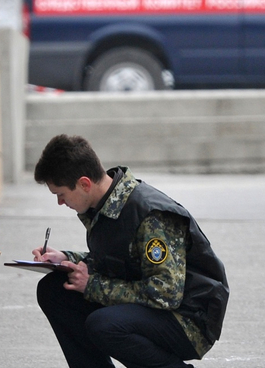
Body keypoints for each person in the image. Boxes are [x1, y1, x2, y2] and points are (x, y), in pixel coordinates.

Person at [30, 134, 229, 368]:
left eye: (61, 194)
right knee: (54, 289)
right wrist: (66, 259)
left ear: (84, 183)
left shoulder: (149, 215)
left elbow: (165, 293)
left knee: (104, 325)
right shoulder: (104, 205)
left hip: (187, 319)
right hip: (154, 307)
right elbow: (120, 261)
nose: (60, 203)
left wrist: (92, 285)